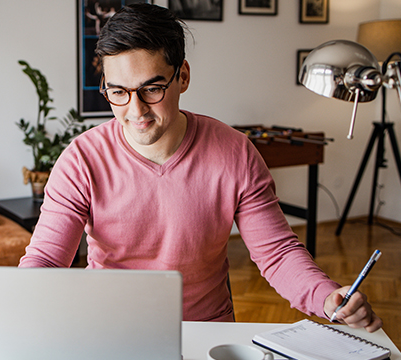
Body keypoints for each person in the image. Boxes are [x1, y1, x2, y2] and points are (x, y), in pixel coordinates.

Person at [19, 3, 382, 332]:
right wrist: (16, 305)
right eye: (118, 92)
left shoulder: (234, 152)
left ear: (183, 77)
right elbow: (48, 258)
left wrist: (326, 296)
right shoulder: (82, 159)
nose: (136, 111)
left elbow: (277, 253)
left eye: (152, 89)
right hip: (110, 328)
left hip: (206, 329)